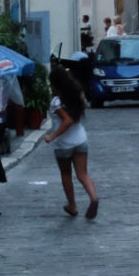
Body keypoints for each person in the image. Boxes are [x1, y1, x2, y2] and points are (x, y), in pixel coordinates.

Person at [44, 66, 99, 219]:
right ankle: (93, 197)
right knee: (83, 174)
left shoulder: (57, 102)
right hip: (80, 139)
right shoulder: (77, 95)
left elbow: (67, 121)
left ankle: (72, 206)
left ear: (55, 84)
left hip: (64, 144)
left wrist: (52, 136)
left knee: (66, 174)